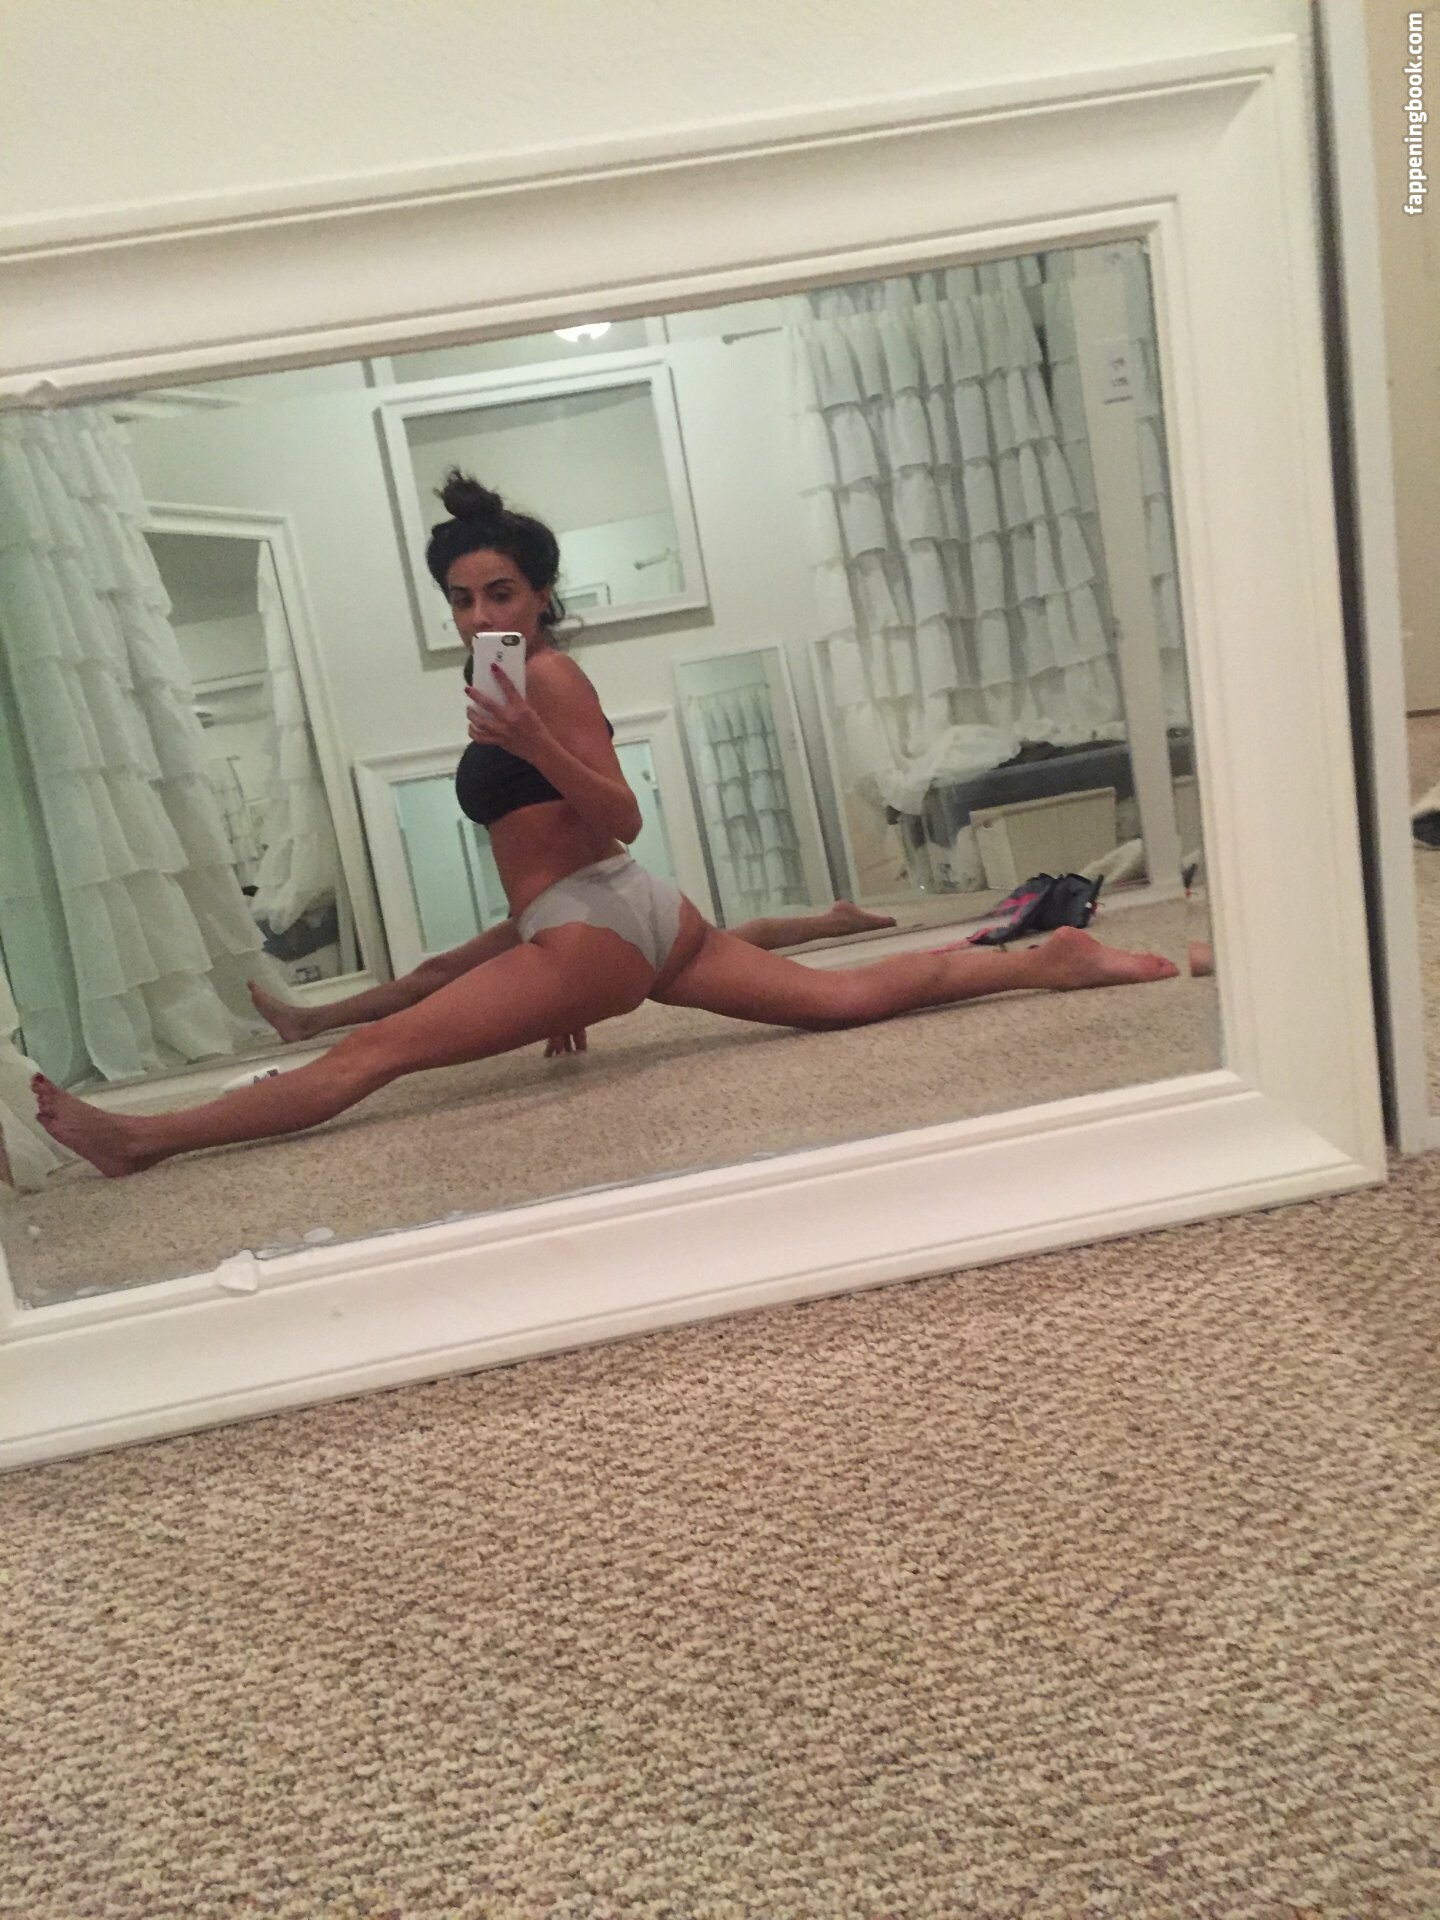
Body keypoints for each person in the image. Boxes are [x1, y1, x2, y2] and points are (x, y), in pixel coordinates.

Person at [33, 474, 1178, 1179]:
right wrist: (555, 971)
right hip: (615, 918)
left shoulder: (550, 679)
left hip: (599, 923)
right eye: (461, 599)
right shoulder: (501, 679)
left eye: (499, 594)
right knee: (846, 1000)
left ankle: (145, 1139)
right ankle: (1048, 959)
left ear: (540, 594)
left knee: (377, 1054)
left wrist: (537, 759)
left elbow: (619, 810)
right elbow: (558, 838)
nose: (479, 614)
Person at [248, 901, 901, 1059]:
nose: (477, 617)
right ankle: (830, 921)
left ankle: (310, 1021)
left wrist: (566, 996)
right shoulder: (509, 697)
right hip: (564, 902)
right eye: (463, 605)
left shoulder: (538, 691)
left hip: (578, 901)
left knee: (437, 975)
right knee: (714, 947)